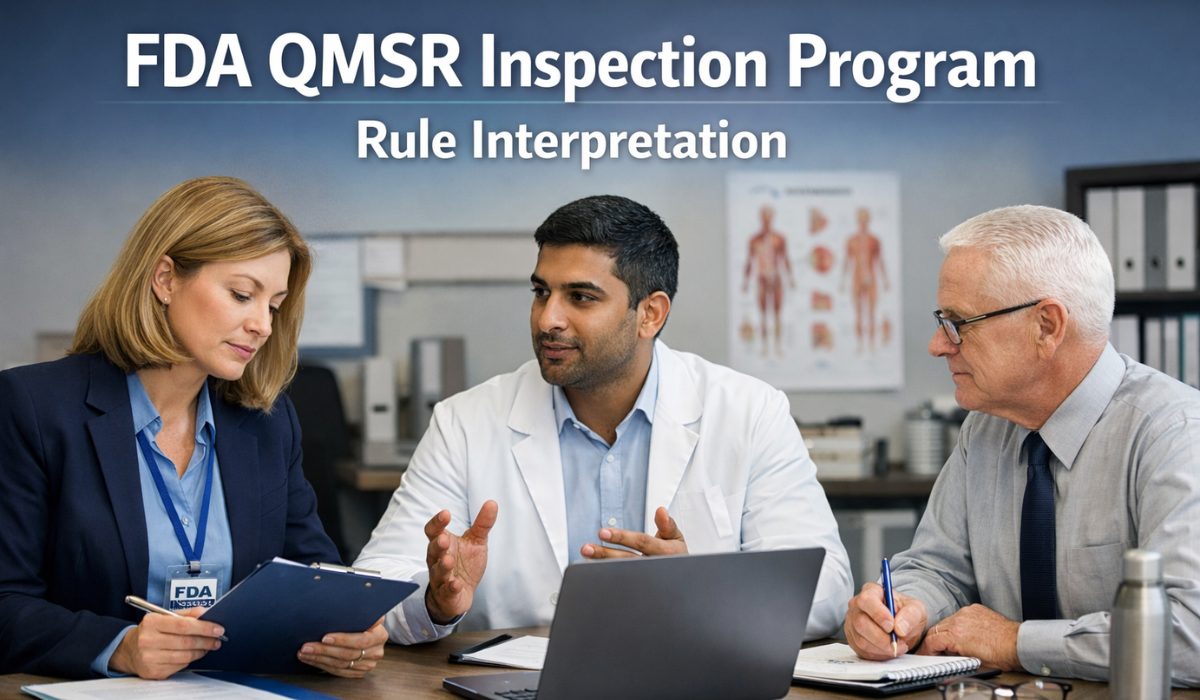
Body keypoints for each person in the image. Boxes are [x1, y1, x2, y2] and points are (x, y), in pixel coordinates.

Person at [355, 195, 852, 643]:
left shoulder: (749, 411)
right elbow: (374, 584)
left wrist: (700, 590)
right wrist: (434, 603)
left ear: (650, 314)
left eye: (581, 297)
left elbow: (825, 590)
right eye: (540, 292)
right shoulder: (465, 422)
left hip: (687, 682)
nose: (548, 318)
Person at [0, 177, 387, 680]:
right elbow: (6, 601)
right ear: (165, 278)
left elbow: (314, 573)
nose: (263, 326)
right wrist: (120, 645)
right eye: (241, 295)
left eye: (273, 305)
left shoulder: (267, 423)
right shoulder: (32, 407)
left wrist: (348, 630)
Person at [843, 205, 1200, 686]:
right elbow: (939, 567)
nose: (937, 344)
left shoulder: (1176, 434)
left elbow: (1190, 633)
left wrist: (1014, 641)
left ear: (1047, 326)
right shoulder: (984, 428)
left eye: (959, 323)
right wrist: (905, 609)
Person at [741, 205, 795, 357]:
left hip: (776, 279)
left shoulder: (779, 239)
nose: (766, 221)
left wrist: (790, 278)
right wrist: (745, 281)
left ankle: (777, 346)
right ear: (761, 219)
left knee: (777, 314)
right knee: (763, 315)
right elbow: (749, 262)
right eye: (764, 217)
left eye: (768, 217)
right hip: (762, 279)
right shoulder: (754, 240)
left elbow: (785, 259)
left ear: (772, 219)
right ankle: (765, 346)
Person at [840, 207, 890, 354]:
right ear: (857, 220)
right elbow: (846, 261)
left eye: (865, 219)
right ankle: (860, 344)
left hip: (871, 278)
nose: (862, 222)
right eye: (860, 219)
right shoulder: (851, 240)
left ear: (868, 220)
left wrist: (885, 280)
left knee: (871, 313)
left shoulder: (874, 240)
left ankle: (872, 344)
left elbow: (879, 261)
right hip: (856, 278)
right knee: (859, 313)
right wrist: (842, 281)